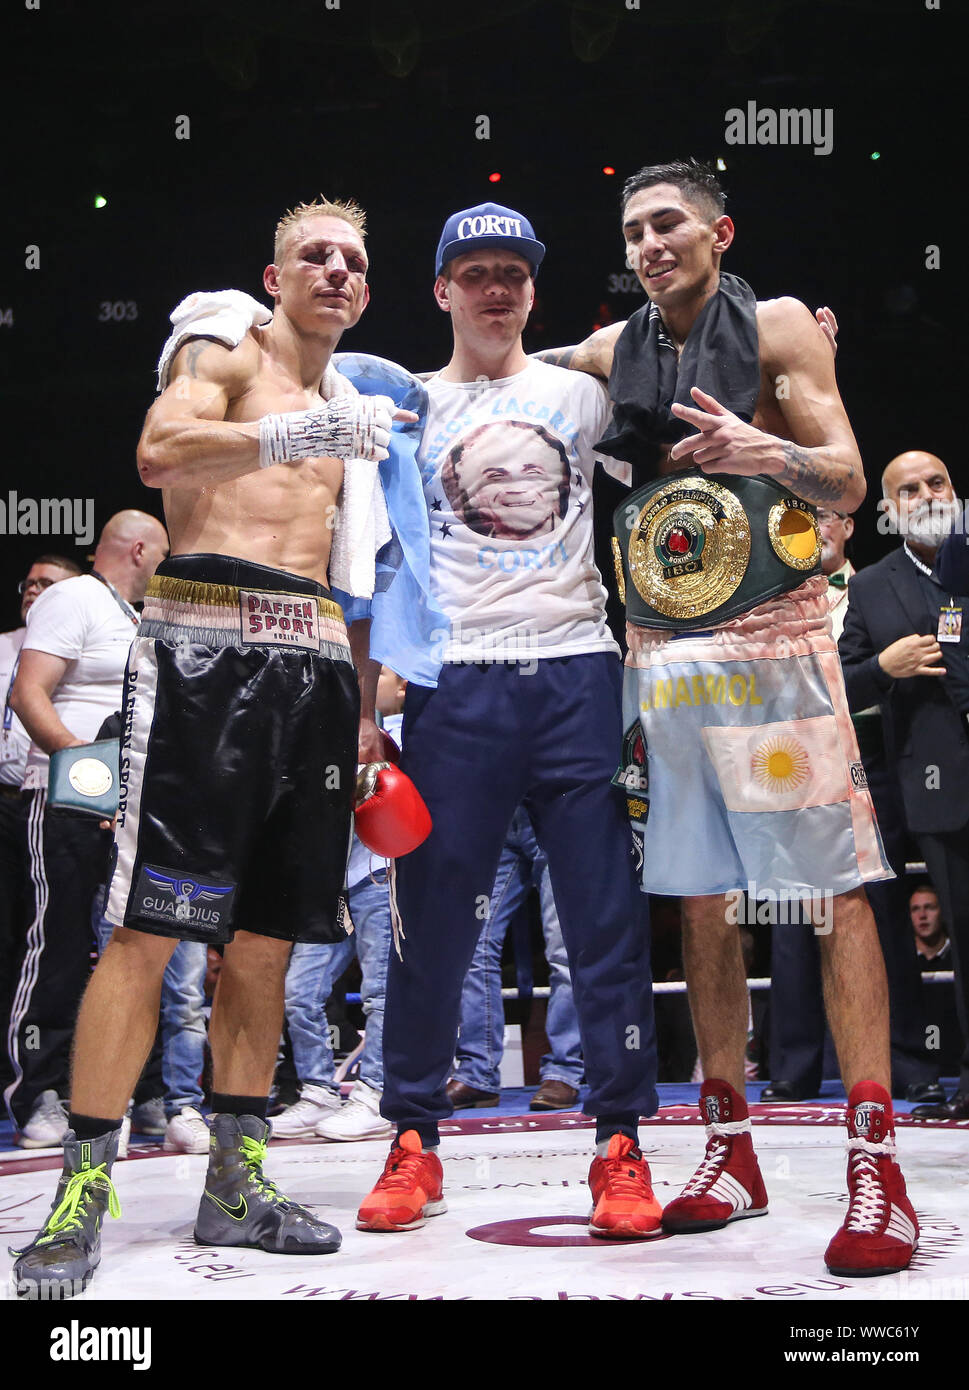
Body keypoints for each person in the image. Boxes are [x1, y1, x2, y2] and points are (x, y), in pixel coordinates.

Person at [11, 196, 416, 1299]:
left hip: (317, 665)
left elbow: (357, 568)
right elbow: (156, 449)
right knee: (147, 930)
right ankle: (80, 1192)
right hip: (204, 653)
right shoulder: (225, 350)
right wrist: (287, 433)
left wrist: (368, 696)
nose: (336, 271)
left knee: (270, 941)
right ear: (275, 276)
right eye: (314, 257)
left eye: (353, 263)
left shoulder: (352, 402)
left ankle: (237, 1183)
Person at [545, 158, 916, 1276]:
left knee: (830, 893)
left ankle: (874, 1164)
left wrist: (771, 453)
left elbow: (849, 481)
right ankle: (728, 1145)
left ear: (719, 232)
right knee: (698, 899)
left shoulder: (786, 324)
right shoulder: (614, 352)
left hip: (776, 648)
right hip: (665, 653)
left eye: (669, 224)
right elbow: (489, 380)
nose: (651, 243)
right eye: (634, 229)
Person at [357, 203, 659, 1241]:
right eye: (475, 273)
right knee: (432, 925)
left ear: (533, 290)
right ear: (440, 288)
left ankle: (620, 1140)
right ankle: (411, 1138)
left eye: (513, 275)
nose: (496, 289)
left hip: (577, 669)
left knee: (604, 919)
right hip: (456, 683)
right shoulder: (400, 406)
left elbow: (667, 339)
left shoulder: (579, 392)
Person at [762, 506, 941, 1104]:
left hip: (870, 752)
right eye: (803, 515)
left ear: (850, 523)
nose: (817, 524)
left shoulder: (881, 590)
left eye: (828, 513)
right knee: (791, 912)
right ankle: (792, 1063)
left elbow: (905, 673)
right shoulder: (771, 598)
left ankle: (906, 1058)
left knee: (883, 907)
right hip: (792, 756)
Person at [6, 516, 169, 1148]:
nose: (168, 561)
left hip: (126, 810)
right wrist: (94, 784)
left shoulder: (133, 617)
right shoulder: (71, 597)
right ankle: (37, 1094)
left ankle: (139, 1090)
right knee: (59, 947)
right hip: (64, 802)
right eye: (163, 550)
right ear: (138, 549)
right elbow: (29, 695)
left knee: (132, 951)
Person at [840, 451, 969, 1122]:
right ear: (888, 510)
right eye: (907, 489)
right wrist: (884, 668)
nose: (924, 494)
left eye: (936, 482)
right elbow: (837, 680)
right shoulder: (870, 589)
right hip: (938, 782)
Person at [271, 663, 403, 1143]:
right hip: (327, 885)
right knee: (299, 992)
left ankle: (376, 1093)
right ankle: (318, 1091)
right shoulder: (312, 734)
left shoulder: (398, 734)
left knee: (379, 994)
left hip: (375, 876)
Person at [0, 555, 82, 1095]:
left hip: (60, 797)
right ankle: (23, 1080)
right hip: (10, 796)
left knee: (56, 940)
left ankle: (47, 1081)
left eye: (47, 584)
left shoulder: (86, 640)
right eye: (28, 582)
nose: (34, 590)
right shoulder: (4, 645)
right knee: (17, 943)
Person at [447, 803, 584, 1111]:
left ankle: (564, 1071)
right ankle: (477, 1074)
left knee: (564, 951)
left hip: (555, 809)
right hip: (498, 814)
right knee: (471, 944)